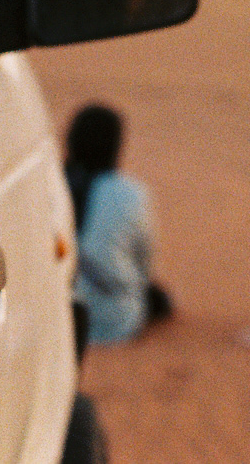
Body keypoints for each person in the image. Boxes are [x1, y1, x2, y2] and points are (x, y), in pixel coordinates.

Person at [65, 103, 169, 344]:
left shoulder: (51, 184)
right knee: (159, 299)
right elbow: (144, 262)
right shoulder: (131, 193)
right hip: (114, 321)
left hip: (58, 316)